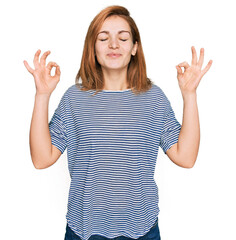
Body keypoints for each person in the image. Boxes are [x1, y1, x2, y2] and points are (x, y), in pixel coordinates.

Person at [23, 5, 213, 240]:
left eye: (123, 38)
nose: (114, 44)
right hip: (84, 231)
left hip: (142, 230)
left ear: (134, 47)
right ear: (93, 48)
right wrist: (42, 95)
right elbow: (41, 159)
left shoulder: (153, 98)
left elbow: (186, 157)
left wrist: (190, 95)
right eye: (103, 38)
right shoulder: (74, 98)